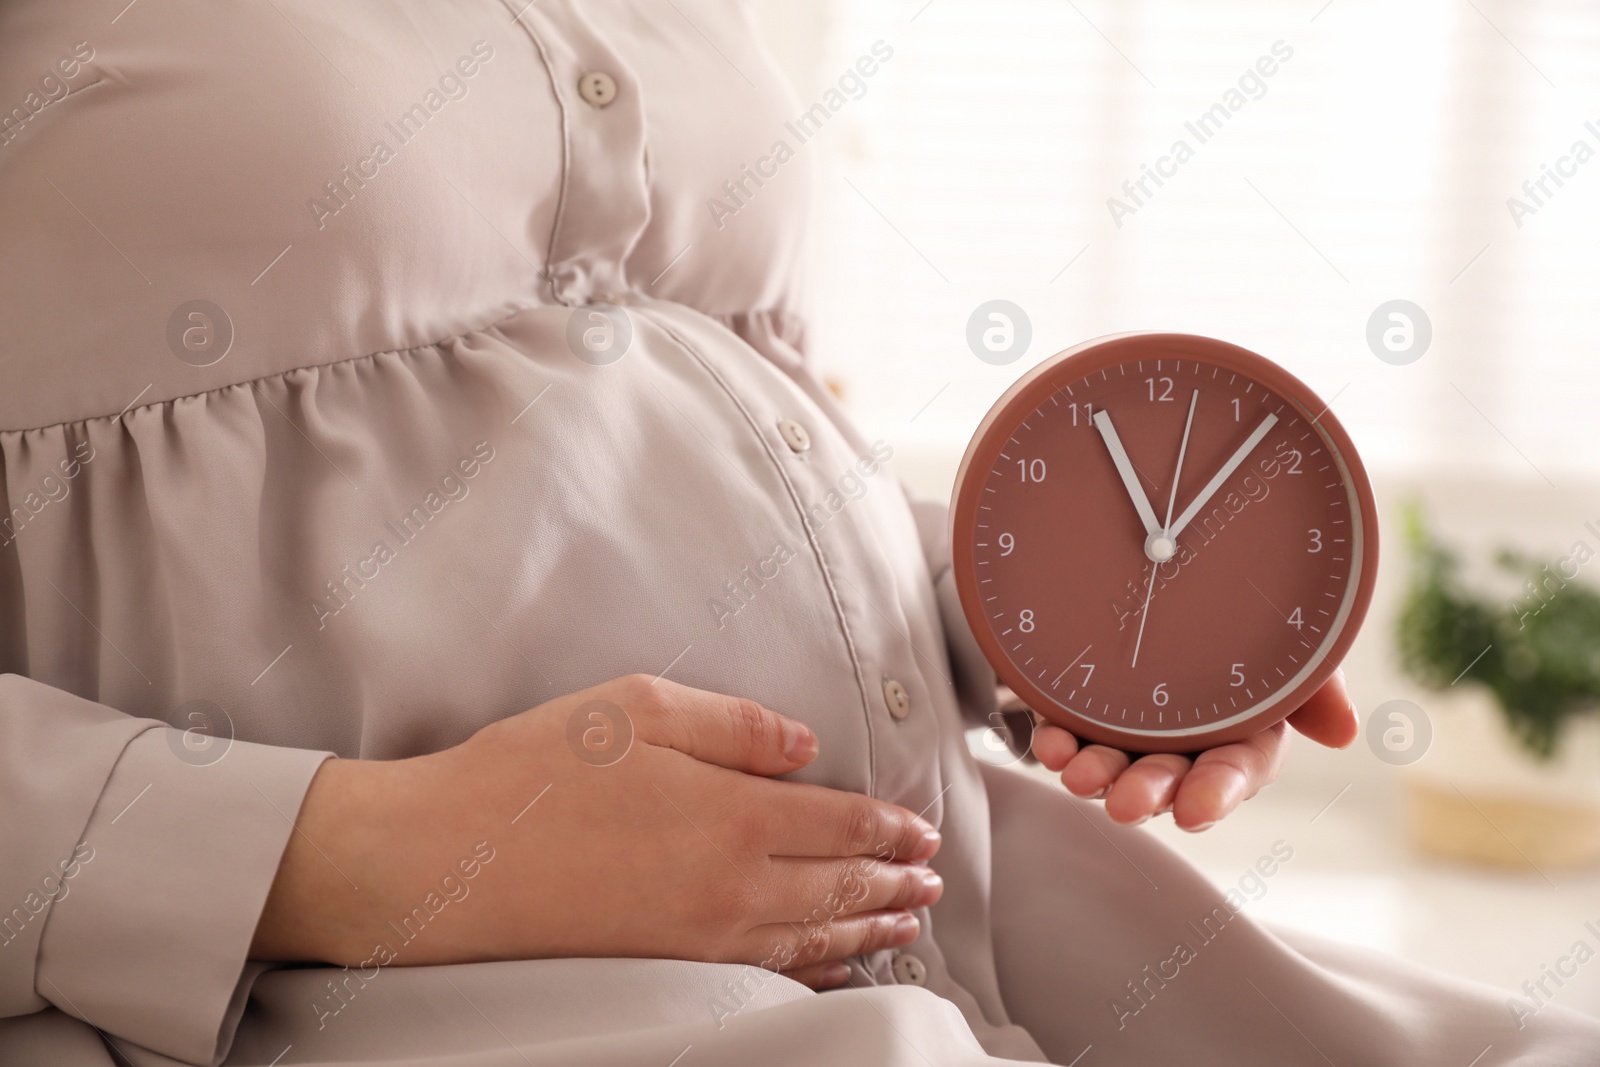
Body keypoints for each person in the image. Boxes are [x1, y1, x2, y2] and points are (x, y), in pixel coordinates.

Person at [0, 2, 1594, 1064]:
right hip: (357, 990)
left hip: (963, 887)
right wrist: (357, 860)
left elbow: (645, 443)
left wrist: (1042, 627)